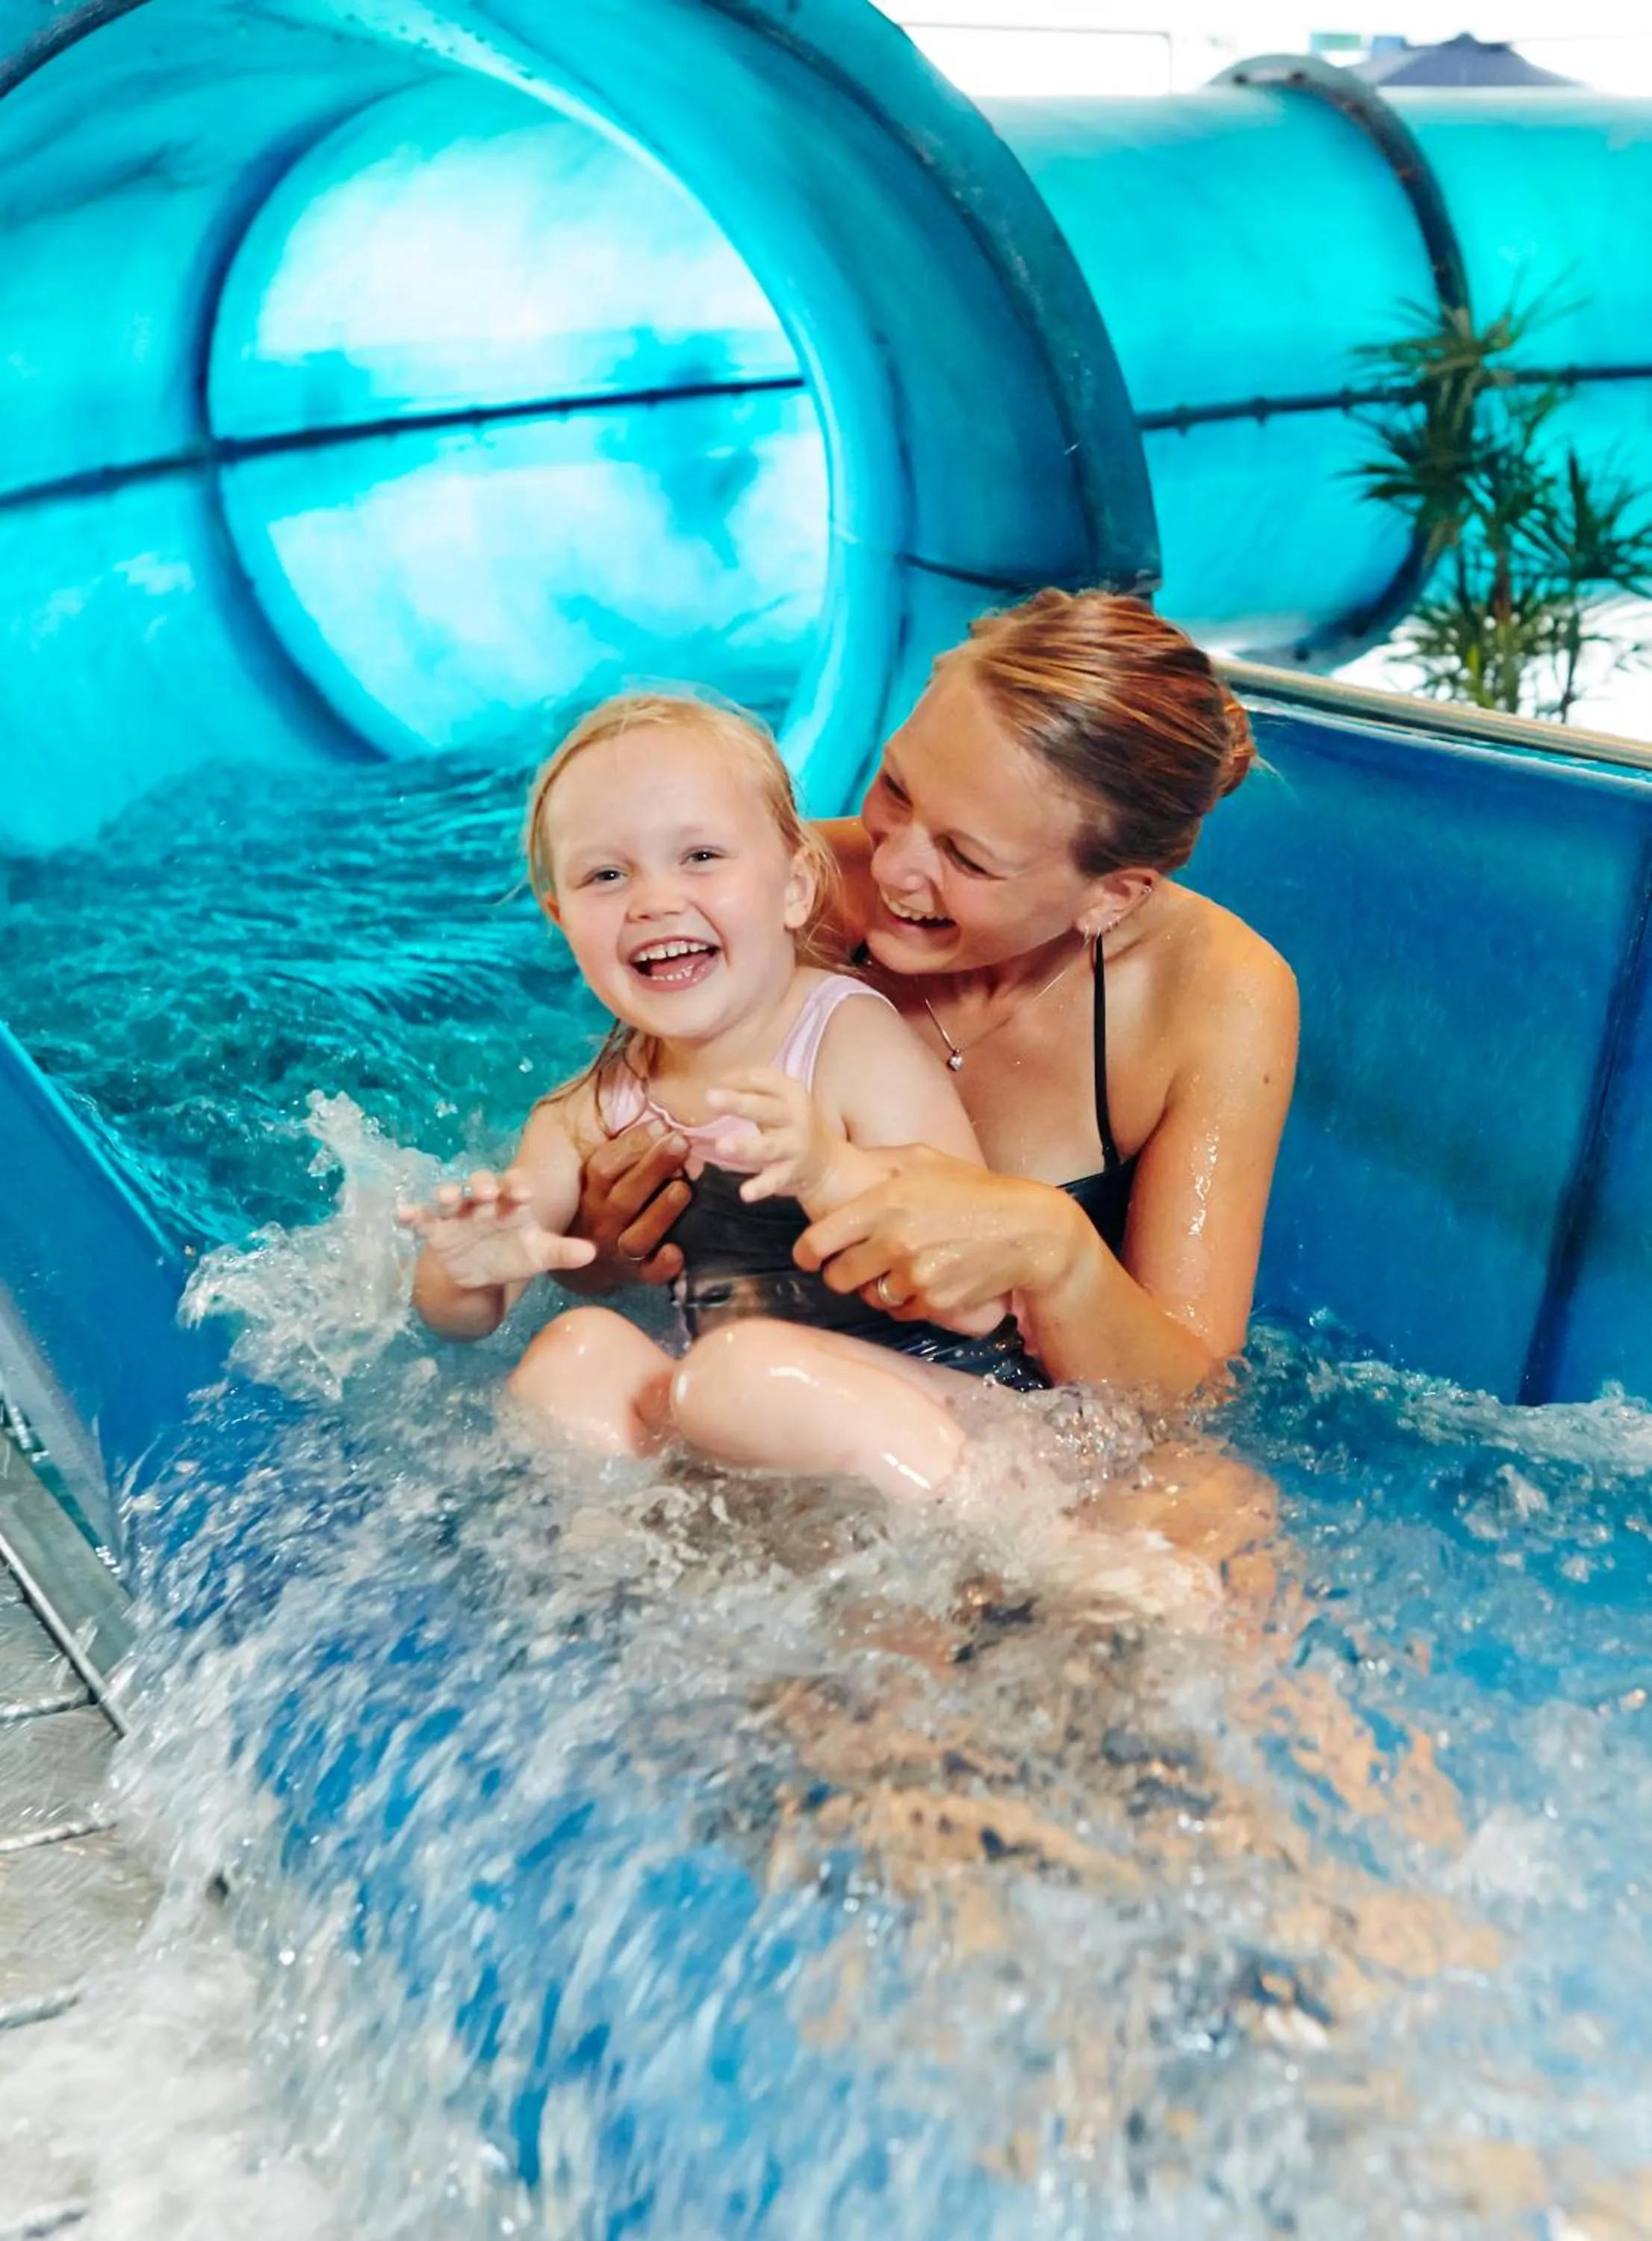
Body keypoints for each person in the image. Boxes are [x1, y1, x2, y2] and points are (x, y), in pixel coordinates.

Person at [569, 592, 1299, 1412]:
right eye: (896, 788)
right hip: (736, 1392)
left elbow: (1188, 1400)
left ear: (1111, 896)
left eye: (967, 858)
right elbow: (600, 1146)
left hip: (991, 1440)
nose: (890, 870)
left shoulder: (1207, 996)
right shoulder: (782, 896)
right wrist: (597, 1247)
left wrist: (1056, 1251)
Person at [399, 692, 1049, 1504]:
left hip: (959, 1425)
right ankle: (648, 1574)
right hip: (750, 1425)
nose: (653, 900)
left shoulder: (846, 1043)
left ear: (795, 886)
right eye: (606, 874)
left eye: (701, 856)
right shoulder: (583, 1116)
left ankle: (1011, 1546)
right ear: (562, 919)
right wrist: (464, 1271)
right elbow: (461, 1319)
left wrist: (826, 1169)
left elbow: (982, 1297)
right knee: (576, 1355)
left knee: (735, 1373)